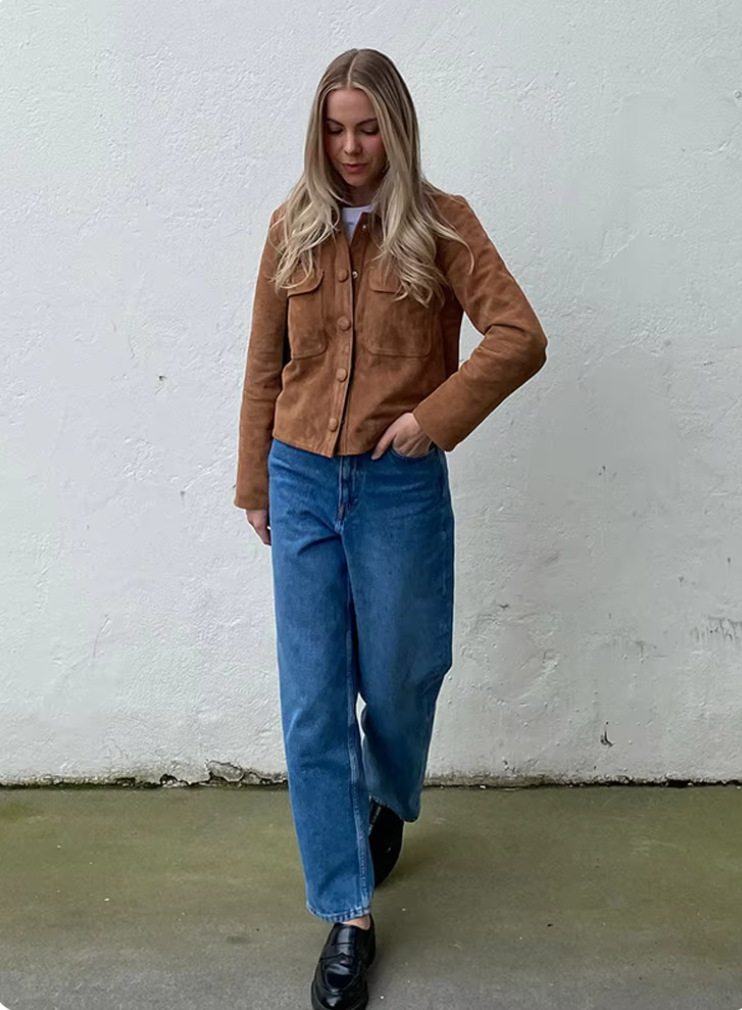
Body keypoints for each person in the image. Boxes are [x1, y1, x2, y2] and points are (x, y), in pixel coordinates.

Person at [234, 47, 547, 1010]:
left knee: (406, 675)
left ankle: (386, 794)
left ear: (397, 130)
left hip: (397, 487)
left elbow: (519, 335)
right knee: (313, 701)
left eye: (368, 128)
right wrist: (254, 483)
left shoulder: (443, 225)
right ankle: (348, 913)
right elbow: (265, 364)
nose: (351, 147)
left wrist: (431, 420)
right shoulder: (292, 226)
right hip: (299, 479)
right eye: (336, 128)